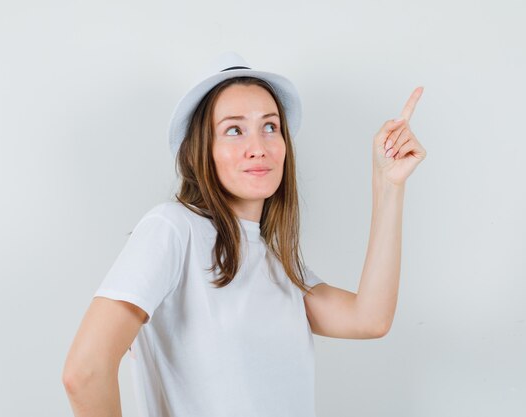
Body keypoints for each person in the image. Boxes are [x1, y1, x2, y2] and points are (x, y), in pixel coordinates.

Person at [62, 51, 426, 417]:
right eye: (234, 130)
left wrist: (388, 184)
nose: (259, 147)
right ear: (200, 151)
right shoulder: (174, 229)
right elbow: (85, 372)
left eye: (270, 126)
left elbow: (370, 319)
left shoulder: (277, 264)